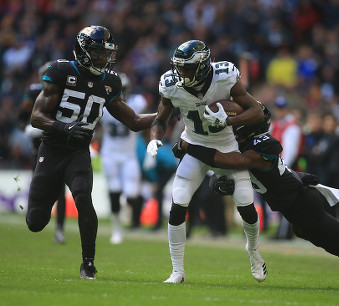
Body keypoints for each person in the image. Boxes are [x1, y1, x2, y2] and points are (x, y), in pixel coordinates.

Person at [174, 105, 339, 293]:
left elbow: (229, 161)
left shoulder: (259, 147)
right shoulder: (248, 147)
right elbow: (226, 172)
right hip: (297, 210)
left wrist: (190, 147)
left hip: (305, 208)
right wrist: (217, 182)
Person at [26, 25, 157, 279]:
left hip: (78, 151)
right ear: (84, 51)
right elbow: (36, 117)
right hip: (52, 150)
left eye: (106, 53)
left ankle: (88, 263)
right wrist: (65, 127)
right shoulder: (61, 71)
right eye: (98, 53)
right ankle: (50, 196)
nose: (103, 58)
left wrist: (164, 113)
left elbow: (134, 121)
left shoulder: (109, 82)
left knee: (83, 197)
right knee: (35, 222)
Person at [146, 40, 267, 284]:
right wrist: (154, 138)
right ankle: (177, 270)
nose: (182, 72)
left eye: (187, 67)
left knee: (245, 203)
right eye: (179, 67)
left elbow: (257, 112)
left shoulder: (224, 76)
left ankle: (254, 251)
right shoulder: (171, 85)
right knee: (178, 201)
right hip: (195, 146)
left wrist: (229, 121)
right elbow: (160, 119)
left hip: (227, 146)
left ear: (202, 66)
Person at [17, 61, 67, 244]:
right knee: (38, 186)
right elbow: (21, 118)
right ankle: (33, 218)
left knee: (60, 191)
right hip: (38, 148)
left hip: (58, 146)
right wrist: (27, 129)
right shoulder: (33, 92)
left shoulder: (66, 93)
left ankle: (60, 229)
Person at [99, 72, 147, 243]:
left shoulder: (136, 103)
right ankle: (116, 229)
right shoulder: (103, 106)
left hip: (128, 155)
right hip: (110, 154)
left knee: (132, 192)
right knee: (113, 190)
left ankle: (124, 204)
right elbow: (95, 127)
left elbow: (142, 122)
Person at [269, 96, 302, 239]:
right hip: (276, 167)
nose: (279, 111)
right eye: (277, 108)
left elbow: (291, 151)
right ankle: (283, 231)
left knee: (287, 201)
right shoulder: (274, 125)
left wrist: (282, 169)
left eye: (281, 108)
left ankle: (285, 232)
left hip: (286, 168)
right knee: (282, 201)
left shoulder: (292, 127)